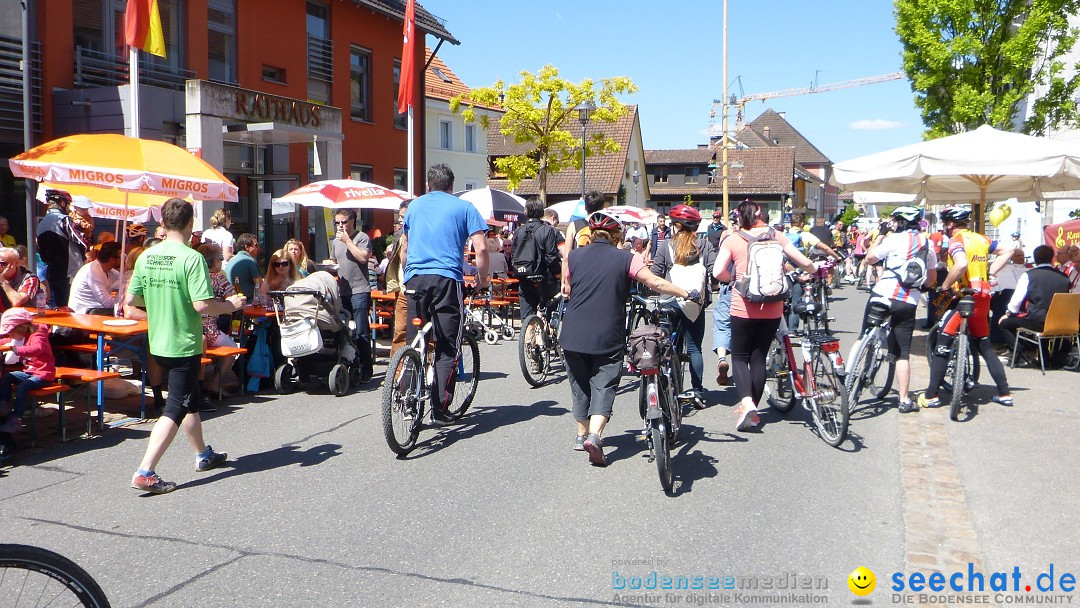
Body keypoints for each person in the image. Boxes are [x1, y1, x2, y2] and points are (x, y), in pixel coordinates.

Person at [124, 198, 245, 494]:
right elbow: (202, 304)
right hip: (183, 344)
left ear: (162, 224)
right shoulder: (191, 258)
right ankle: (146, 470)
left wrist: (160, 314)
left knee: (189, 400)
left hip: (159, 343)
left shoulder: (147, 256)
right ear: (191, 224)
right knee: (175, 407)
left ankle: (203, 454)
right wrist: (231, 304)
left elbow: (130, 306)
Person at [560, 210, 696, 466]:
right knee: (605, 383)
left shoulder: (575, 257)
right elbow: (654, 282)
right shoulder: (625, 258)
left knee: (578, 383)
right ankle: (594, 435)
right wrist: (684, 292)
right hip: (606, 333)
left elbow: (568, 286)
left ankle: (581, 435)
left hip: (572, 332)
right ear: (616, 236)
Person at [713, 200, 817, 432]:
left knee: (739, 357)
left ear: (740, 217)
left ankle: (747, 404)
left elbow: (717, 271)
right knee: (758, 357)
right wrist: (812, 271)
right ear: (762, 215)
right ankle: (754, 411)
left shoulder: (733, 239)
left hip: (743, 306)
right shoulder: (777, 236)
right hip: (773, 306)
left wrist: (736, 278)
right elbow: (805, 262)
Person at [399, 164, 489, 427]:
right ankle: (439, 408)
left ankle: (406, 397)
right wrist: (482, 280)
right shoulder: (465, 208)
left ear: (428, 185)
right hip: (446, 280)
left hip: (414, 279)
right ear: (452, 187)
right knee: (447, 345)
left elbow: (404, 247)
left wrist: (407, 276)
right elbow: (481, 248)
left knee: (414, 339)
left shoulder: (414, 207)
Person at [919, 205, 1016, 409]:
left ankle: (930, 395)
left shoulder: (957, 240)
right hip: (983, 296)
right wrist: (990, 272)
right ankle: (1004, 392)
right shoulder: (981, 239)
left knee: (942, 345)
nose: (944, 228)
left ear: (951, 224)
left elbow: (961, 264)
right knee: (985, 346)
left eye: (945, 224)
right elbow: (1008, 250)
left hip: (965, 296)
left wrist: (945, 286)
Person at [854, 207, 938, 413]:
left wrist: (881, 235)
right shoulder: (928, 243)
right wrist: (921, 287)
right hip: (908, 301)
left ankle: (846, 374)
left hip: (883, 293)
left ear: (900, 222)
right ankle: (903, 400)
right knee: (903, 353)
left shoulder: (893, 239)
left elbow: (870, 258)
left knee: (862, 336)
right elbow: (932, 279)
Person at [648, 205, 714, 408]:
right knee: (694, 348)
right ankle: (697, 392)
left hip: (670, 301)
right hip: (695, 303)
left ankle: (666, 384)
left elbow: (656, 274)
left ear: (676, 226)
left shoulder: (665, 246)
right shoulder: (704, 245)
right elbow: (715, 272)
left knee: (666, 345)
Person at [999, 245, 1071, 365]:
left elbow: (1015, 302)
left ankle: (1020, 356)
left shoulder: (1029, 275)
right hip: (1058, 322)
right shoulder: (1064, 278)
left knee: (1004, 323)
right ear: (1052, 258)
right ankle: (1042, 356)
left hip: (1037, 321)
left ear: (1035, 259)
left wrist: (1007, 314)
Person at [329, 208, 374, 383]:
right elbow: (334, 261)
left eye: (343, 222)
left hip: (360, 290)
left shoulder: (361, 238)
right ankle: (350, 363)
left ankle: (366, 369)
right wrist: (330, 265)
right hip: (343, 290)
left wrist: (348, 241)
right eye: (337, 223)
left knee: (361, 331)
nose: (340, 226)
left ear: (352, 222)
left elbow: (363, 258)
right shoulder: (335, 241)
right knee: (344, 330)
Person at [0, 308, 56, 434]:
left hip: (44, 374)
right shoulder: (22, 336)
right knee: (7, 377)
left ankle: (16, 420)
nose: (11, 336)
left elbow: (37, 349)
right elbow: (9, 342)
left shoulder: (38, 333)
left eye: (12, 334)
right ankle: (4, 405)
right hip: (29, 372)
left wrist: (17, 350)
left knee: (22, 388)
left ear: (22, 328)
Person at [197, 243, 240, 396]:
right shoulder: (220, 279)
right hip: (209, 331)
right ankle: (215, 384)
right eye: (221, 258)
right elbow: (234, 300)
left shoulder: (194, 277)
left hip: (190, 328)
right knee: (233, 348)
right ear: (215, 262)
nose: (222, 262)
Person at [514, 197, 563, 321]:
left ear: (526, 212)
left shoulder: (518, 231)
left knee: (527, 317)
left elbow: (514, 255)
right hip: (544, 278)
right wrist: (557, 273)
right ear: (542, 212)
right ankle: (548, 333)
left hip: (524, 276)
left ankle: (528, 337)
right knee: (550, 312)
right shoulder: (548, 230)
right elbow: (551, 257)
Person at [36, 189, 87, 307]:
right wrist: (84, 230)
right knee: (68, 307)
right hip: (69, 273)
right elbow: (82, 242)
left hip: (52, 271)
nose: (69, 209)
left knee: (57, 306)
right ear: (63, 204)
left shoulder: (41, 224)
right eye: (68, 204)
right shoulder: (64, 220)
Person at [712, 209, 740, 385]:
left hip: (729, 288)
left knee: (723, 324)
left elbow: (718, 268)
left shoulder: (727, 237)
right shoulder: (755, 238)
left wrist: (726, 281)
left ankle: (722, 358)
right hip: (752, 292)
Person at [384, 200, 410, 359]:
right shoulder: (398, 235)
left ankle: (428, 369)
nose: (400, 220)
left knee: (427, 331)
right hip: (403, 290)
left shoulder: (424, 233)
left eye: (403, 216)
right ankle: (396, 375)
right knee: (400, 331)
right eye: (399, 216)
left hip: (422, 286)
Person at [68, 242, 123, 314]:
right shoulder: (92, 271)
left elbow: (124, 281)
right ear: (112, 260)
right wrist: (126, 303)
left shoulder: (110, 271)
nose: (123, 259)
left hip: (95, 310)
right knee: (122, 312)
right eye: (122, 257)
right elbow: (107, 303)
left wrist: (124, 269)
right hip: (82, 313)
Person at [989, 249, 1027, 347]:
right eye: (1018, 255)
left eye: (1022, 255)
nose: (1021, 257)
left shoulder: (1028, 269)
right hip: (1005, 295)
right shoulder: (1004, 269)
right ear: (1012, 257)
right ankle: (998, 340)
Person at [0, 247, 40, 312]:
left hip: (22, 319)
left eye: (2, 264)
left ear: (15, 264)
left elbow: (17, 302)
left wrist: (3, 281)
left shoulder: (29, 278)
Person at [225, 233, 261, 299]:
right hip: (247, 302)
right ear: (247, 247)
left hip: (232, 301)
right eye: (256, 245)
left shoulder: (231, 260)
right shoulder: (250, 261)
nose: (258, 248)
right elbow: (259, 284)